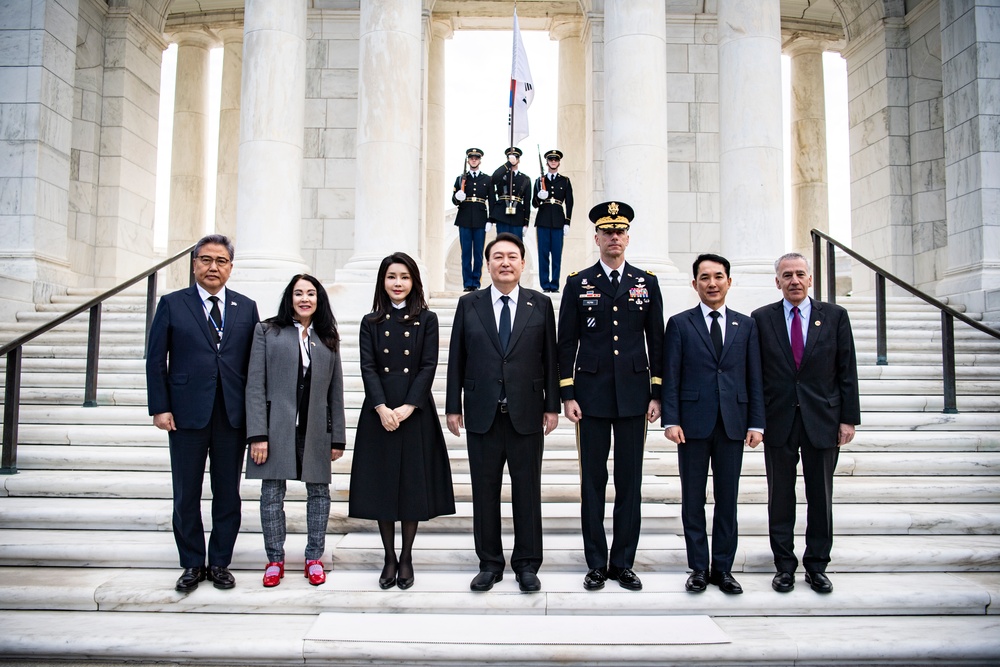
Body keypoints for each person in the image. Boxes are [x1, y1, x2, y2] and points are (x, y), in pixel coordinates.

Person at [557, 201, 664, 592]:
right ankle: (597, 563)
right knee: (593, 482)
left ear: (627, 238)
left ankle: (623, 562)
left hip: (636, 397)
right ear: (597, 238)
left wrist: (657, 394)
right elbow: (565, 342)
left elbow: (658, 340)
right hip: (591, 397)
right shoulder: (577, 282)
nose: (614, 237)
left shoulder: (646, 282)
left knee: (630, 482)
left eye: (620, 231)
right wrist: (567, 393)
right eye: (608, 231)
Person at [446, 232, 559, 593]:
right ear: (488, 264)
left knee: (527, 491)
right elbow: (456, 358)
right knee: (485, 491)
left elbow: (551, 359)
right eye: (498, 256)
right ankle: (490, 563)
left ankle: (527, 564)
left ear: (523, 264)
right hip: (483, 413)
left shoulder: (540, 305)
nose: (505, 262)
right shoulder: (470, 304)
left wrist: (552, 405)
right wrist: (452, 406)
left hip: (527, 412)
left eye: (512, 256)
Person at [146, 234, 260, 592]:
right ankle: (193, 563)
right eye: (206, 260)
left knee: (228, 493)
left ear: (230, 267)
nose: (213, 267)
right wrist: (160, 406)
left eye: (221, 261)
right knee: (186, 492)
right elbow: (155, 360)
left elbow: (254, 367)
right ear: (194, 263)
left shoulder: (247, 307)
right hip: (185, 415)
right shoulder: (172, 304)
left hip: (231, 416)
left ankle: (221, 562)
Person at [751, 253, 860, 594]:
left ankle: (816, 565)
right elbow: (755, 375)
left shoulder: (835, 317)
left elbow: (847, 371)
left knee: (820, 496)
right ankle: (783, 566)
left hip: (823, 420)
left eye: (800, 274)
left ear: (810, 279)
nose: (794, 280)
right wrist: (756, 421)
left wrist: (848, 420)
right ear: (777, 282)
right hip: (779, 420)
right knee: (780, 497)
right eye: (787, 275)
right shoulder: (761, 319)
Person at [349, 252, 456, 590]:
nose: (398, 283)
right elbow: (367, 366)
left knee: (411, 486)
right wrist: (381, 408)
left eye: (404, 277)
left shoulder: (427, 319)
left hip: (415, 412)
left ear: (414, 282)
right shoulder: (370, 322)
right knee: (383, 487)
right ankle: (388, 556)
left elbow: (428, 365)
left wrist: (409, 406)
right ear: (383, 281)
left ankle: (406, 556)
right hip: (378, 412)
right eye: (392, 276)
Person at [662, 254, 765, 595]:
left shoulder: (746, 325)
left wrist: (757, 423)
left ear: (729, 282)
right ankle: (698, 568)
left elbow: (754, 377)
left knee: (727, 499)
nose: (712, 283)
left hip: (733, 425)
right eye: (704, 277)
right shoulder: (679, 323)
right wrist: (671, 419)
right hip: (691, 425)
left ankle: (723, 568)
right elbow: (672, 375)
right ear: (694, 284)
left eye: (718, 276)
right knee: (693, 500)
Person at [245, 274, 346, 588]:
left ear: (319, 299)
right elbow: (255, 386)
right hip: (276, 427)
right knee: (272, 495)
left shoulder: (327, 337)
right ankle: (275, 559)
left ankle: (313, 557)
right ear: (290, 298)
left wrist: (338, 435)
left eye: (311, 293)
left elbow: (336, 391)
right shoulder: (268, 331)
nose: (305, 299)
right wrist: (257, 434)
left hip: (315, 428)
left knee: (319, 494)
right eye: (298, 293)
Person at [531, 149, 574, 293]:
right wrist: (539, 196)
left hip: (558, 220)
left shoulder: (565, 181)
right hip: (543, 220)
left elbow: (569, 202)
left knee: (556, 255)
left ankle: (554, 284)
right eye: (551, 160)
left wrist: (567, 222)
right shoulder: (539, 181)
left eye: (555, 160)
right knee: (543, 254)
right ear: (547, 162)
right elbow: (534, 203)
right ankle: (545, 285)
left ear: (559, 162)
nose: (553, 162)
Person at [453, 148, 492, 292]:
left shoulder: (487, 179)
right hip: (464, 218)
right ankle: (467, 282)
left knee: (478, 253)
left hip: (481, 218)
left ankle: (476, 282)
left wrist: (490, 219)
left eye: (476, 158)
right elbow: (454, 200)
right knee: (466, 253)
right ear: (468, 160)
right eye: (471, 158)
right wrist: (458, 197)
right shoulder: (460, 179)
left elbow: (492, 200)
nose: (474, 160)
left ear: (480, 160)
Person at [488, 147, 531, 239]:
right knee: (502, 244)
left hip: (518, 216)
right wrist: (508, 164)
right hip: (502, 215)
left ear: (519, 160)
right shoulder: (501, 175)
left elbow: (527, 202)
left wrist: (526, 223)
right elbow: (493, 178)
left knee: (516, 247)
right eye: (511, 157)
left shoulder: (525, 179)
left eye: (516, 157)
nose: (513, 159)